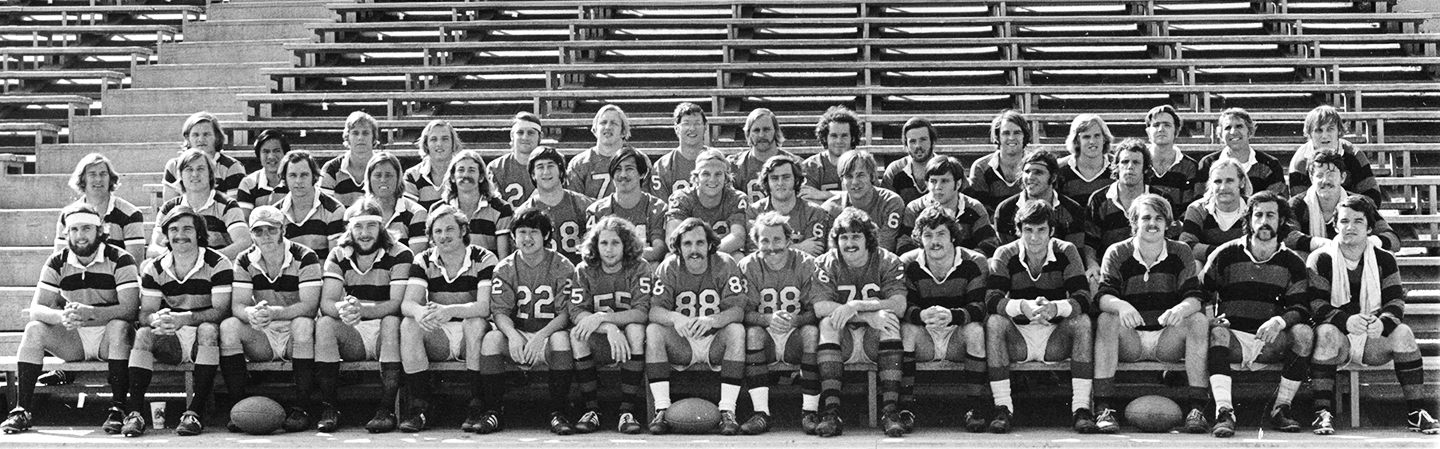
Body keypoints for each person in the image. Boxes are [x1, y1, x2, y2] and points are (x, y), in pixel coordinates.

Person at [1305, 194, 1438, 435]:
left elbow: (1396, 301)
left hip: (1370, 337)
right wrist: (1346, 321)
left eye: (1358, 221)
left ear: (1368, 228)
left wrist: (1383, 323)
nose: (1350, 227)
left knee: (1404, 333)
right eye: (1344, 221)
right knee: (1325, 332)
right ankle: (1322, 413)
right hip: (1338, 339)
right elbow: (1316, 304)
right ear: (1335, 225)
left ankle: (1416, 412)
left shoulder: (1384, 259)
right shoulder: (1321, 258)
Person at [2, 205, 140, 435]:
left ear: (100, 230)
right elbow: (36, 308)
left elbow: (130, 309)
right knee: (34, 329)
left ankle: (118, 409)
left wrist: (91, 312)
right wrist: (60, 316)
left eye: (86, 228)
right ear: (67, 233)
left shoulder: (120, 258)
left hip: (111, 337)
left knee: (119, 326)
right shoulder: (58, 261)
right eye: (74, 229)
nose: (80, 235)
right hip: (75, 337)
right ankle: (22, 410)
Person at [1091, 194, 1210, 435]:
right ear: (1134, 222)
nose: (1152, 223)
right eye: (1146, 217)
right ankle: (1103, 407)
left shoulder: (1180, 251)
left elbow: (1195, 297)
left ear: (1167, 223)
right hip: (1131, 339)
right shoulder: (1117, 252)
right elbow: (1103, 297)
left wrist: (1181, 308)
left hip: (1167, 338)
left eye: (1159, 218)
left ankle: (1197, 408)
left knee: (1197, 320)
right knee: (1107, 319)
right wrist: (1122, 306)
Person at [1199, 191, 1312, 437]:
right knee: (1216, 331)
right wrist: (1208, 315)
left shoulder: (1292, 262)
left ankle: (1281, 408)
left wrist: (1279, 321)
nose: (1263, 221)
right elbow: (1200, 291)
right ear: (1249, 220)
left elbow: (1301, 308)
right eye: (1258, 215)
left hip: (1270, 340)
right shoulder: (1226, 253)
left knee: (1303, 333)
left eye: (1270, 215)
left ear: (1281, 221)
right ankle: (1224, 412)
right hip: (1234, 338)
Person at [985, 201, 1098, 434]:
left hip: (1055, 338)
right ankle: (1002, 407)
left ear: (1052, 230)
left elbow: (1084, 297)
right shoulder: (1005, 253)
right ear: (1019, 230)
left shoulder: (1066, 250)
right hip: (1019, 337)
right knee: (994, 323)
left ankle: (1081, 409)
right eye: (1028, 230)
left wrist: (1056, 308)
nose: (1035, 237)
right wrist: (1021, 306)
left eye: (1041, 230)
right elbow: (992, 300)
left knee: (1083, 322)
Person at [122, 207, 233, 437]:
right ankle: (134, 413)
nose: (180, 235)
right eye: (173, 229)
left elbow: (222, 311)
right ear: (165, 234)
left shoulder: (218, 263)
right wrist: (156, 319)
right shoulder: (154, 267)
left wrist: (185, 318)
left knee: (208, 329)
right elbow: (145, 314)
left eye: (187, 229)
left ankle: (195, 412)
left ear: (199, 233)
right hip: (171, 336)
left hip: (202, 336)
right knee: (143, 333)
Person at [218, 206, 322, 433]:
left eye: (271, 230)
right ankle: (239, 407)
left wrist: (274, 313)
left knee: (304, 324)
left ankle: (302, 407)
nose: (265, 236)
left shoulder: (305, 256)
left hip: (294, 328)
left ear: (283, 230)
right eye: (258, 231)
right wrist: (250, 314)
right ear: (251, 235)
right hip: (263, 331)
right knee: (229, 327)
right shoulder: (244, 259)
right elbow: (238, 305)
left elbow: (310, 306)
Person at [313, 198, 413, 433]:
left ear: (382, 227)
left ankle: (386, 408)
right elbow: (327, 302)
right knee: (325, 323)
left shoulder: (400, 253)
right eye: (358, 226)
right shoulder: (338, 254)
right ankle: (330, 407)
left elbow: (397, 304)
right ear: (349, 228)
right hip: (354, 330)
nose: (364, 233)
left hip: (384, 330)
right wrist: (343, 309)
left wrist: (363, 310)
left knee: (391, 321)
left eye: (371, 226)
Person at [397, 205, 498, 433]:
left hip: (469, 331)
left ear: (463, 230)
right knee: (409, 323)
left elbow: (484, 307)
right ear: (431, 236)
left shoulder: (484, 257)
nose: (444, 236)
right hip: (439, 332)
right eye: (438, 231)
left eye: (450, 229)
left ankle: (476, 404)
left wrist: (450, 309)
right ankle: (420, 407)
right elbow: (407, 303)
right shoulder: (423, 260)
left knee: (475, 323)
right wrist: (420, 311)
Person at [477, 209, 577, 434]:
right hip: (519, 334)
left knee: (562, 339)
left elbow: (565, 314)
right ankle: (493, 411)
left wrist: (541, 337)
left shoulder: (563, 266)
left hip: (549, 335)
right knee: (492, 339)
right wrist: (513, 336)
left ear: (546, 236)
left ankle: (558, 411)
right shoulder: (504, 268)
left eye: (534, 232)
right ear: (513, 236)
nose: (527, 238)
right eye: (522, 232)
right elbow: (500, 312)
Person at [645, 218, 748, 435]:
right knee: (653, 331)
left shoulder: (725, 263)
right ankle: (661, 409)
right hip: (682, 342)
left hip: (714, 341)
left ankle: (728, 411)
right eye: (687, 244)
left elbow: (738, 311)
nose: (694, 249)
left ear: (710, 244)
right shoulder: (669, 267)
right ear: (678, 247)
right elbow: (654, 311)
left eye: (700, 243)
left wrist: (713, 320)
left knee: (736, 331)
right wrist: (675, 317)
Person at [896, 206, 991, 436]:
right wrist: (920, 315)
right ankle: (906, 408)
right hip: (924, 335)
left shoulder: (975, 261)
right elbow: (902, 306)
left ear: (953, 237)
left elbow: (980, 307)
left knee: (976, 330)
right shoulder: (907, 263)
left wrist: (953, 315)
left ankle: (975, 407)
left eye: (940, 234)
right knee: (907, 330)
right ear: (919, 238)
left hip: (957, 334)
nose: (934, 241)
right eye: (928, 235)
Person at [812, 208, 906, 437]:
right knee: (827, 323)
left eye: (856, 236)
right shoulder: (826, 262)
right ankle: (831, 411)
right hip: (842, 340)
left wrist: (856, 305)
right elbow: (820, 307)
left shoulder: (887, 260)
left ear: (868, 239)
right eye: (843, 237)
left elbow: (899, 304)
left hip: (875, 340)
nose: (849, 243)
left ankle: (890, 411)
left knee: (890, 320)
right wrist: (865, 315)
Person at [738, 212, 825, 435]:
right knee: (752, 334)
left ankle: (810, 411)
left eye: (777, 240)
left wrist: (796, 320)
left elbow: (815, 311)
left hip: (794, 334)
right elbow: (742, 313)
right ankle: (761, 413)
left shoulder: (806, 263)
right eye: (764, 240)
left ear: (789, 240)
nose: (771, 246)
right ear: (756, 243)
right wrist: (766, 319)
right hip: (765, 336)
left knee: (812, 333)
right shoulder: (748, 266)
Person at [568, 216, 653, 434]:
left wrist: (601, 318)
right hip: (602, 337)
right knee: (577, 334)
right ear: (595, 245)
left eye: (615, 243)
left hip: (627, 339)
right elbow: (577, 312)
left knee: (636, 329)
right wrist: (607, 326)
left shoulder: (639, 267)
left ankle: (627, 410)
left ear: (626, 244)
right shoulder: (584, 269)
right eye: (603, 243)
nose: (609, 249)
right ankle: (592, 409)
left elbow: (641, 312)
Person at [994, 151, 1097, 286]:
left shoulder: (1072, 210)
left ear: (1053, 177)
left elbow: (1073, 257)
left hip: (1059, 278)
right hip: (1016, 279)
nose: (1030, 177)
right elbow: (1006, 254)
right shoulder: (1005, 210)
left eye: (1038, 172)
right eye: (1027, 171)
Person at [1286, 151, 1401, 257]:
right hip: (1316, 265)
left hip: (1351, 264)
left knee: (1387, 255)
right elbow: (1286, 236)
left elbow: (1393, 238)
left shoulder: (1360, 204)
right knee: (1296, 255)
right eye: (1319, 175)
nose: (1325, 180)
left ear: (1342, 177)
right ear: (1311, 178)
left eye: (1330, 174)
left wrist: (1365, 243)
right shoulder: (1298, 204)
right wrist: (1323, 244)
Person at [150, 148, 251, 261]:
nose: (195, 174)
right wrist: (179, 258)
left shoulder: (227, 205)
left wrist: (204, 259)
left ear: (210, 174)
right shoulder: (170, 208)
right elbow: (153, 248)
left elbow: (244, 242)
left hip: (214, 269)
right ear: (180, 176)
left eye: (200, 169)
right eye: (189, 169)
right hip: (179, 268)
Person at [897, 155, 998, 256]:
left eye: (944, 181)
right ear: (927, 184)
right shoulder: (915, 208)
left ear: (958, 184)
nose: (937, 187)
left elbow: (988, 244)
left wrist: (961, 261)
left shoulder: (974, 208)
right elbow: (904, 246)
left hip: (964, 268)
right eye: (933, 181)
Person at [54, 153, 145, 263]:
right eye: (92, 174)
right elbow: (60, 261)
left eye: (103, 174)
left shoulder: (130, 214)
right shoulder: (67, 215)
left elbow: (134, 263)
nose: (98, 179)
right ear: (82, 179)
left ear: (110, 178)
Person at [1286, 105, 1384, 206]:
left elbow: (1373, 198)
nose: (1324, 136)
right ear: (1309, 133)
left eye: (1330, 129)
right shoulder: (1300, 161)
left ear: (1339, 131)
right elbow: (1298, 205)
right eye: (1318, 130)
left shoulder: (1354, 155)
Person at [585, 148, 667, 262]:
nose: (623, 174)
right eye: (618, 169)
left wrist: (618, 255)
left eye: (629, 169)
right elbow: (593, 253)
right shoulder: (597, 211)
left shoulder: (657, 208)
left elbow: (659, 250)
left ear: (642, 173)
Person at [516, 147, 593, 263]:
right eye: (540, 167)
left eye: (550, 165)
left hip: (578, 274)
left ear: (561, 171)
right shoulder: (524, 212)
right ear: (532, 174)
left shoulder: (583, 205)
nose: (546, 172)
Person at [665, 149, 748, 255]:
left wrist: (706, 253)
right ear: (696, 177)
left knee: (738, 256)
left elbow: (738, 237)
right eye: (706, 174)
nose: (712, 179)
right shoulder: (682, 198)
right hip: (689, 254)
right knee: (670, 258)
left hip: (722, 253)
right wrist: (696, 254)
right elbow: (672, 239)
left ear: (726, 177)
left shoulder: (736, 198)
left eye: (718, 174)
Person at [820, 150, 906, 253]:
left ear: (872, 176)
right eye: (849, 176)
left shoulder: (890, 202)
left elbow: (885, 247)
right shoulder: (830, 209)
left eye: (860, 175)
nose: (855, 182)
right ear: (842, 180)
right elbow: (831, 253)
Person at [747, 155, 832, 257]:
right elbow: (753, 252)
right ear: (767, 182)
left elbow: (814, 253)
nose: (780, 183)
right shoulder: (754, 211)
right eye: (774, 178)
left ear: (796, 180)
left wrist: (772, 249)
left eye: (786, 177)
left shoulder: (815, 212)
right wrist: (799, 247)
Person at [438, 150, 514, 256]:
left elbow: (503, 259)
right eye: (461, 170)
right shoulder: (438, 210)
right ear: (452, 177)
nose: (465, 175)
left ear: (481, 177)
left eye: (471, 170)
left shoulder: (501, 209)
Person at [1196, 108, 1286, 198]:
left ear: (1249, 132)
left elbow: (1277, 203)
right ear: (1220, 135)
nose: (1233, 132)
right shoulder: (1208, 163)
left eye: (1239, 126)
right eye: (1227, 128)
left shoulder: (1270, 164)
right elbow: (1200, 201)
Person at [272, 151, 346, 261]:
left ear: (314, 176)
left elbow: (335, 262)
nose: (298, 181)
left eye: (304, 175)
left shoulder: (334, 210)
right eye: (292, 175)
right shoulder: (275, 213)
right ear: (284, 178)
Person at [1086, 139, 1154, 257]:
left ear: (1146, 168)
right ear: (1116, 166)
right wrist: (1092, 265)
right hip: (1108, 267)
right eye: (1124, 162)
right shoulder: (1099, 199)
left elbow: (1172, 239)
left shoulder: (1159, 198)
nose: (1130, 167)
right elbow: (1090, 242)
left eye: (1136, 162)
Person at [161, 111, 246, 203]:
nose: (201, 139)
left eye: (206, 134)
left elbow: (233, 208)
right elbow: (170, 208)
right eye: (195, 135)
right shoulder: (174, 166)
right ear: (187, 138)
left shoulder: (232, 167)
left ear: (217, 137)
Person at [1179, 158, 1252, 264]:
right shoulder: (1197, 209)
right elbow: (1186, 245)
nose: (1223, 187)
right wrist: (1223, 253)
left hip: (1244, 266)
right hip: (1209, 267)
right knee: (1195, 264)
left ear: (1241, 182)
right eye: (1217, 182)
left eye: (1229, 181)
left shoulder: (1253, 208)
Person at [966, 109, 1032, 213]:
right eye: (1006, 133)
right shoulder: (981, 168)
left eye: (1017, 133)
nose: (1011, 137)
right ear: (998, 136)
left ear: (1025, 135)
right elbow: (981, 211)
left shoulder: (1036, 165)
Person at [364, 151, 429, 255]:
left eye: (389, 175)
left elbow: (415, 260)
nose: (383, 180)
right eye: (377, 175)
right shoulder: (355, 213)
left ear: (398, 178)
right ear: (369, 179)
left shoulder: (417, 214)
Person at [730, 108, 798, 203]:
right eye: (756, 130)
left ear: (775, 131)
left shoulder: (795, 164)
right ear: (748, 134)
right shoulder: (734, 165)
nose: (761, 135)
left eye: (766, 129)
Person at [568, 104, 637, 199]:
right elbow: (574, 204)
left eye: (614, 123)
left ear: (623, 131)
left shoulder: (638, 161)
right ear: (595, 129)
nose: (608, 127)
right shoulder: (579, 163)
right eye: (603, 122)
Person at [652, 103, 711, 202]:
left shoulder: (718, 162)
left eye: (697, 123)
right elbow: (661, 209)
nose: (692, 128)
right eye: (686, 123)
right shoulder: (662, 166)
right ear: (676, 128)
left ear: (705, 127)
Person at [320, 111, 382, 206]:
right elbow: (325, 209)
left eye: (366, 133)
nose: (360, 138)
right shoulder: (331, 169)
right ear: (347, 137)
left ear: (374, 137)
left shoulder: (384, 166)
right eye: (355, 133)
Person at [801, 105, 862, 203]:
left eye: (844, 136)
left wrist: (823, 194)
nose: (839, 141)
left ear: (853, 138)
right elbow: (807, 203)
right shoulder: (810, 166)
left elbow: (866, 196)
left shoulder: (863, 163)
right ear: (825, 138)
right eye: (834, 136)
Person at [1145, 105, 1199, 212]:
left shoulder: (1189, 166)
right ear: (1148, 131)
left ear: (1176, 131)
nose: (1161, 129)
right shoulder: (1138, 162)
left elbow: (1189, 208)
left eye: (1167, 125)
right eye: (1156, 125)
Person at [404, 119, 463, 211]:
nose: (439, 144)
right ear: (426, 144)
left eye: (445, 139)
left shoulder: (463, 173)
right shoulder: (412, 176)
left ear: (453, 143)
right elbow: (411, 214)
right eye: (433, 139)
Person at [487, 113, 543, 208]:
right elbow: (494, 207)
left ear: (539, 137)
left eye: (531, 133)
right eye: (520, 132)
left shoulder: (548, 167)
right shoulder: (496, 167)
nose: (525, 137)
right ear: (512, 136)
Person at [1057, 114, 1115, 205]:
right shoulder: (1060, 169)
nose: (1092, 141)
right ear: (1076, 141)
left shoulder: (1117, 166)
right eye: (1086, 137)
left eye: (1097, 136)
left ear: (1104, 139)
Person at [882, 117, 939, 204]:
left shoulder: (949, 167)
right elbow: (885, 207)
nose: (918, 145)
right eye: (912, 141)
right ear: (905, 146)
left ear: (933, 142)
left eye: (923, 139)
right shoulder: (894, 171)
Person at [236, 129, 291, 214]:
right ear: (259, 156)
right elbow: (245, 220)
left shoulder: (294, 180)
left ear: (285, 154)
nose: (271, 156)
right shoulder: (248, 183)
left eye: (277, 151)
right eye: (266, 151)